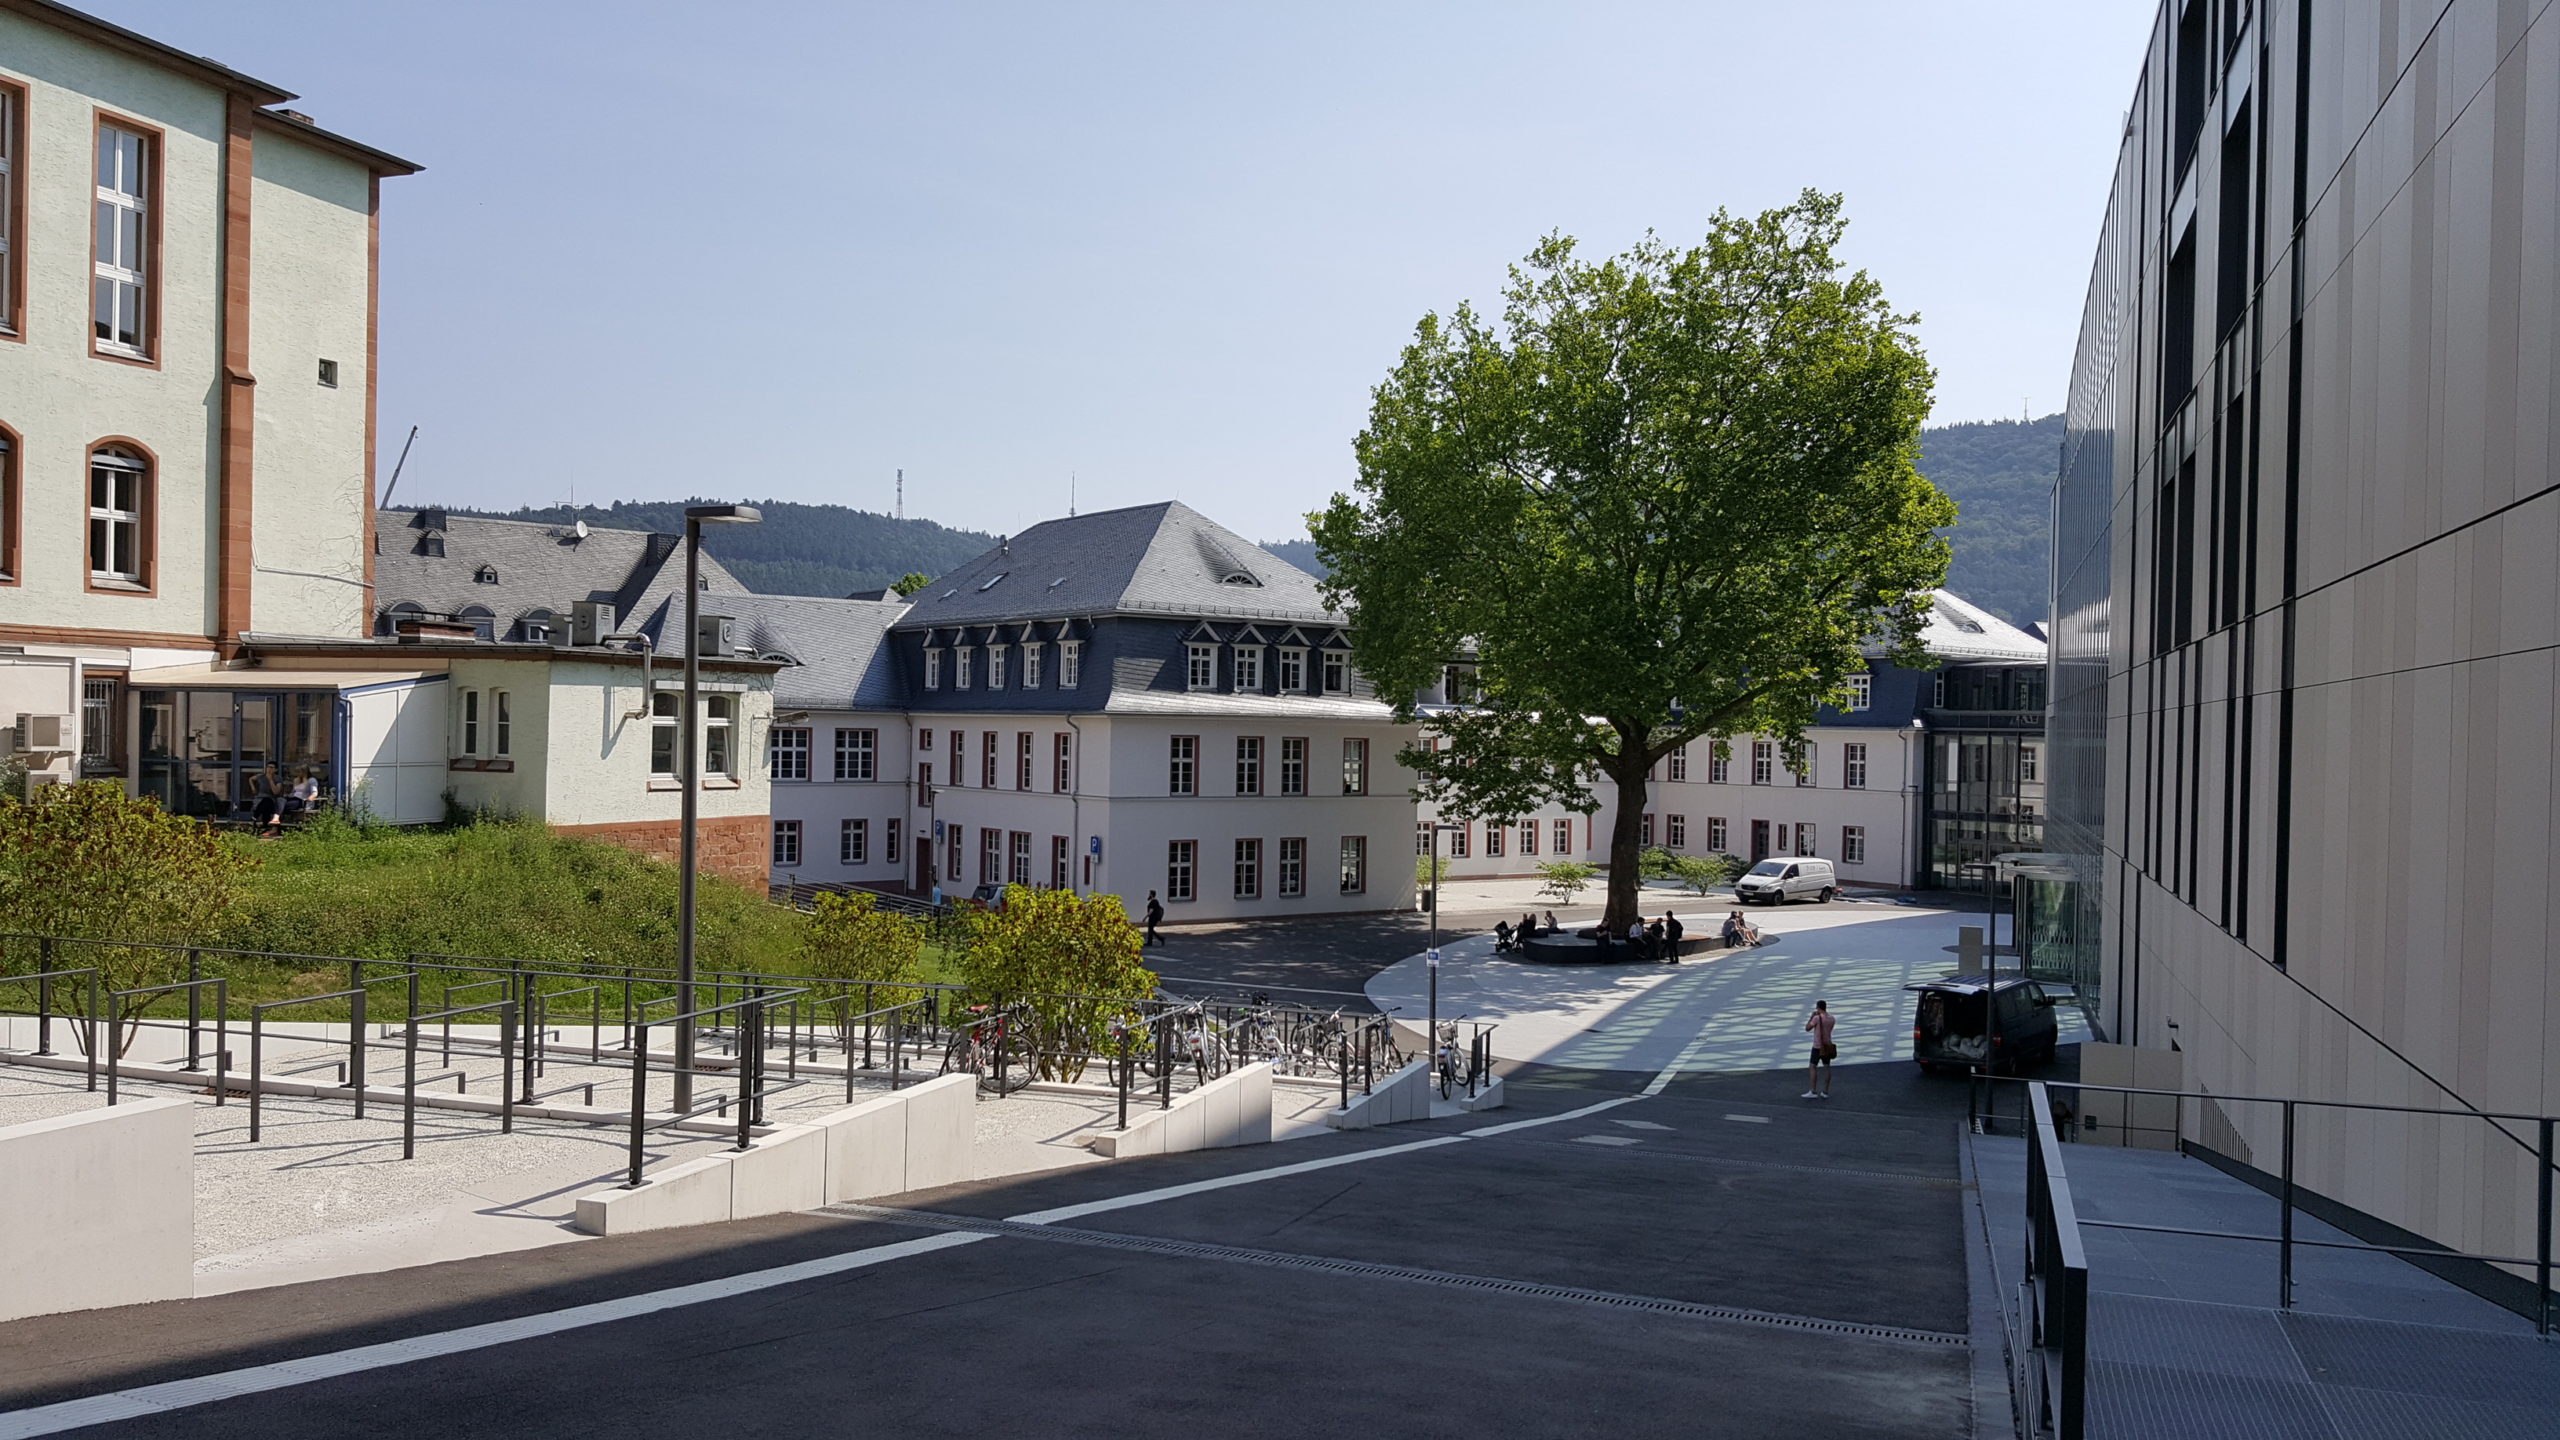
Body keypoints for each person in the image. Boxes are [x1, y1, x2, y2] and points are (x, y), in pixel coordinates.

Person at [1803, 1000, 1836, 1099]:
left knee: (1812, 1066)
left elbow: (1807, 1028)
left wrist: (1811, 1017)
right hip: (1827, 1045)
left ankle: (1813, 1090)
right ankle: (1825, 1091)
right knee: (1827, 1067)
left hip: (1818, 1046)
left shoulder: (1817, 1018)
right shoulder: (1832, 1019)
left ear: (1818, 1007)